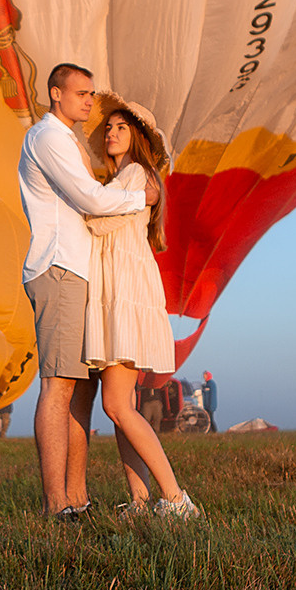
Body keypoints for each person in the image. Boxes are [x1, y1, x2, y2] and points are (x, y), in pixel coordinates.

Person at [18, 63, 156, 519]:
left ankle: (76, 498)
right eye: (79, 93)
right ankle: (56, 503)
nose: (88, 102)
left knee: (80, 393)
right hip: (58, 269)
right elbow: (91, 202)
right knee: (58, 386)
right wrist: (143, 198)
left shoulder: (70, 142)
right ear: (55, 94)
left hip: (78, 275)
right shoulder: (49, 139)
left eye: (90, 94)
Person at [79, 92, 200, 519]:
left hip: (125, 293)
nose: (111, 133)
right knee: (121, 408)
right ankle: (141, 502)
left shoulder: (136, 175)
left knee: (115, 405)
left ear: (138, 137)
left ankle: (175, 498)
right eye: (108, 128)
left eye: (121, 127)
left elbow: (97, 220)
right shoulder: (121, 180)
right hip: (117, 290)